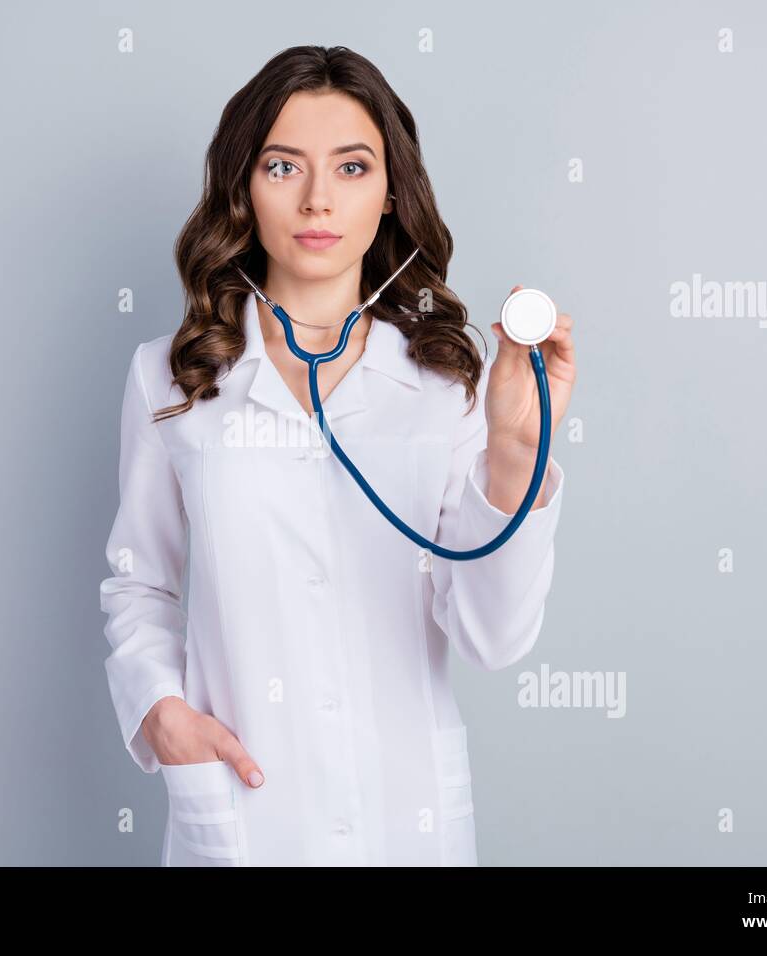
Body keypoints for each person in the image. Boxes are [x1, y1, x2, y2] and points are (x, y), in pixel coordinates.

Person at [98, 45, 577, 866]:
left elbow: (493, 640)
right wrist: (158, 713)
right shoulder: (171, 376)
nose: (318, 199)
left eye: (352, 167)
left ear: (391, 192)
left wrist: (514, 451)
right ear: (244, 186)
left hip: (407, 823)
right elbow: (139, 582)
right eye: (284, 166)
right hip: (245, 822)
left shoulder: (447, 383)